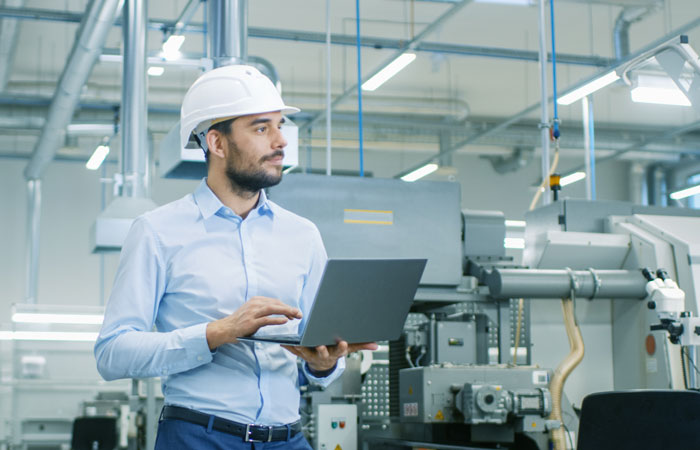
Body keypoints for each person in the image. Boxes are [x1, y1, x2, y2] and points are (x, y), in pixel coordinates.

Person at [94, 65, 376, 449]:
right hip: (198, 437)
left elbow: (319, 351)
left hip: (287, 439)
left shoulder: (303, 235)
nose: (280, 142)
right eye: (261, 128)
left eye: (280, 126)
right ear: (217, 142)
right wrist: (216, 333)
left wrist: (323, 363)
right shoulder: (158, 232)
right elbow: (112, 353)